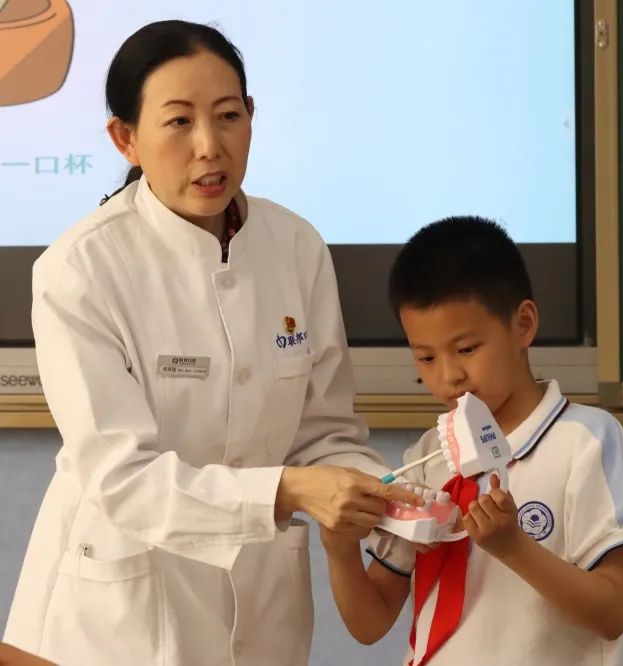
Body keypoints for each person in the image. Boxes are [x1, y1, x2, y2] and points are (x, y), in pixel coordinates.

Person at [2, 20, 420, 666]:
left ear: (251, 114)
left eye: (228, 116)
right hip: (118, 617)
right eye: (178, 122)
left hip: (262, 608)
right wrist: (287, 491)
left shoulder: (296, 246)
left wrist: (399, 494)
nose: (209, 147)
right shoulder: (79, 269)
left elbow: (323, 435)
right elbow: (123, 478)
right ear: (125, 138)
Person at [323, 216, 623, 665]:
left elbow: (612, 612)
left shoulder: (587, 442)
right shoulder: (427, 457)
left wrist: (513, 547)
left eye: (466, 350)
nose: (449, 376)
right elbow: (370, 623)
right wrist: (338, 548)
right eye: (426, 357)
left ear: (523, 324)